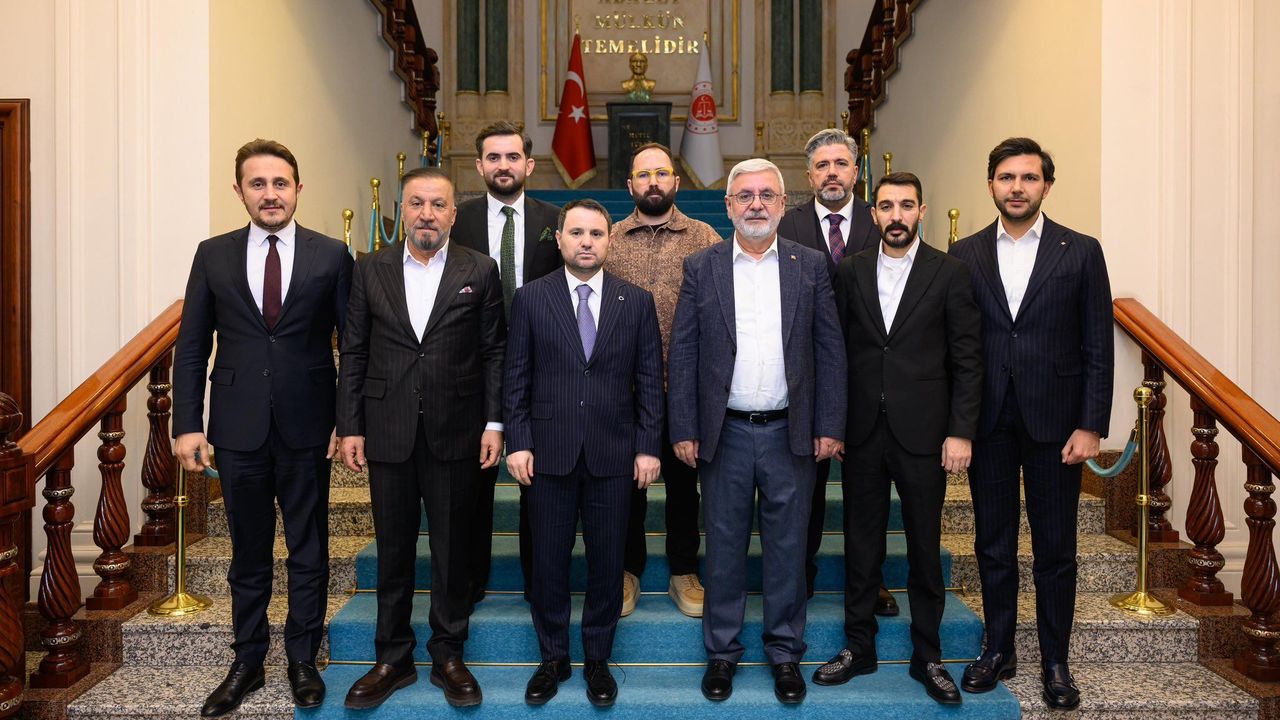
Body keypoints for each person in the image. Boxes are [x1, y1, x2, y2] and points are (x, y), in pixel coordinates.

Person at [172, 139, 352, 717]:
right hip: (236, 427)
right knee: (247, 553)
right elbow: (192, 346)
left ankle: (302, 659)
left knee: (308, 549)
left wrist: (347, 420)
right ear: (239, 191)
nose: (270, 194)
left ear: (298, 188)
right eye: (258, 184)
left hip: (309, 426)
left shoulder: (332, 255)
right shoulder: (212, 255)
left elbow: (355, 346)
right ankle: (247, 661)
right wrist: (187, 424)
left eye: (280, 183)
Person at [668, 158, 847, 705]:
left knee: (788, 548)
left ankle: (785, 653)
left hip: (790, 433)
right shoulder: (702, 266)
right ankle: (722, 653)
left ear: (783, 203)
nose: (756, 204)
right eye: (744, 195)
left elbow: (830, 349)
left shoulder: (809, 265)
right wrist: (685, 427)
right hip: (724, 433)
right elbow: (684, 351)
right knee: (723, 547)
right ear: (728, 206)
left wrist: (829, 424)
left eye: (767, 194)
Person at [950, 138, 1113, 710]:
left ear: (1046, 185)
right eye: (1006, 177)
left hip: (1057, 425)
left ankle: (1054, 661)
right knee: (993, 543)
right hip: (989, 420)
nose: (1016, 187)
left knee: (1055, 549)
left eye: (1028, 177)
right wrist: (958, 422)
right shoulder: (964, 253)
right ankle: (998, 649)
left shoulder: (1081, 251)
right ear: (990, 185)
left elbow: (1098, 343)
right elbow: (958, 347)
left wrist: (1092, 424)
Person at [336, 167, 505, 710]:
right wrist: (350, 425)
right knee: (393, 551)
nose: (426, 214)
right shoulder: (370, 268)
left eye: (437, 204)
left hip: (458, 431)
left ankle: (448, 653)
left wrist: (495, 423)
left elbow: (494, 352)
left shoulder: (480, 269)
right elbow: (354, 350)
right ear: (402, 211)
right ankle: (392, 657)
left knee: (453, 552)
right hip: (387, 430)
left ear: (454, 213)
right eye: (416, 203)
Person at [816, 172, 982, 705]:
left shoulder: (950, 273)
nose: (896, 216)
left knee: (924, 549)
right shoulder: (850, 270)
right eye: (886, 206)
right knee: (861, 544)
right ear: (874, 214)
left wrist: (960, 432)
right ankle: (858, 647)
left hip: (925, 434)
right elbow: (835, 352)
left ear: (921, 212)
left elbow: (967, 360)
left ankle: (927, 655)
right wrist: (835, 422)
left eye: (906, 206)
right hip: (862, 433)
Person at [504, 199, 664, 708]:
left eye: (596, 233)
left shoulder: (635, 302)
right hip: (547, 453)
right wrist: (518, 440)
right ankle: (553, 658)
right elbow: (516, 376)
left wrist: (648, 447)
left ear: (609, 240)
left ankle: (597, 658)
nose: (587, 242)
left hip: (614, 455)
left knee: (607, 563)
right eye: (577, 233)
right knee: (548, 563)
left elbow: (649, 382)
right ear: (559, 240)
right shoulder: (531, 298)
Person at [779, 128, 898, 616]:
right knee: (804, 490)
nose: (832, 173)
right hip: (806, 381)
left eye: (840, 164)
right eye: (822, 166)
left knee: (867, 493)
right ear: (809, 176)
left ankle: (870, 582)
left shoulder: (882, 222)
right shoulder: (786, 225)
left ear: (856, 172)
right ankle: (799, 576)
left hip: (870, 382)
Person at [607, 142, 721, 618]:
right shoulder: (609, 238)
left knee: (683, 485)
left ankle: (683, 570)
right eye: (643, 174)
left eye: (661, 173)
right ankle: (626, 569)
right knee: (625, 486)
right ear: (629, 185)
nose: (653, 182)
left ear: (676, 181)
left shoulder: (704, 236)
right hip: (622, 390)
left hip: (684, 388)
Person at [453, 121, 562, 607]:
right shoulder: (457, 219)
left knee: (537, 484)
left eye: (512, 157)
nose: (503, 166)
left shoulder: (555, 220)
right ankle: (470, 581)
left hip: (541, 370)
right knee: (471, 485)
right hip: (471, 367)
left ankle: (539, 583)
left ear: (529, 165)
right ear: (479, 165)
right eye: (493, 158)